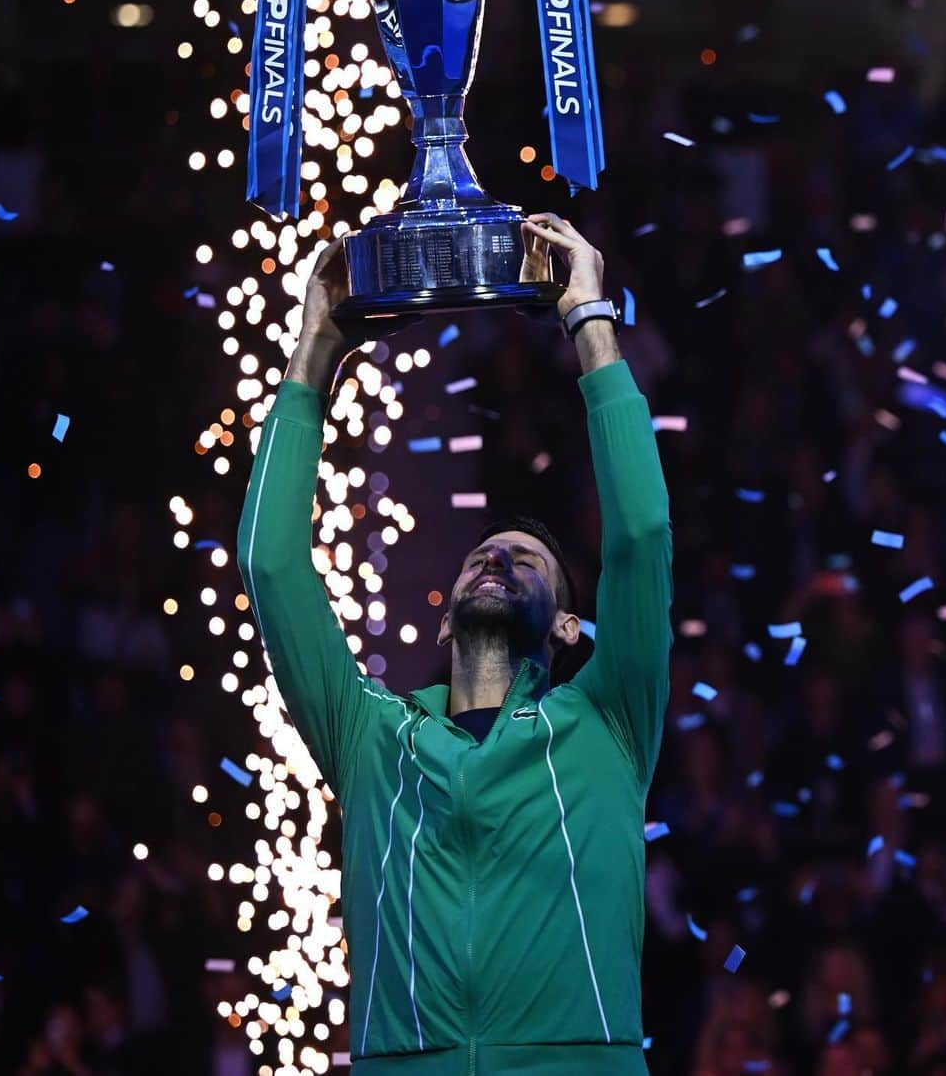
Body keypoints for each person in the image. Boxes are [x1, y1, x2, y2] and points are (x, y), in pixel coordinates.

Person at [237, 213, 674, 1074]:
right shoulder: (370, 737)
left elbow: (642, 532)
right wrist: (315, 352)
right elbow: (271, 564)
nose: (498, 559)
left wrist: (590, 321)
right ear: (442, 619)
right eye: (484, 553)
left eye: (526, 560)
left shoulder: (610, 720)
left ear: (566, 625)